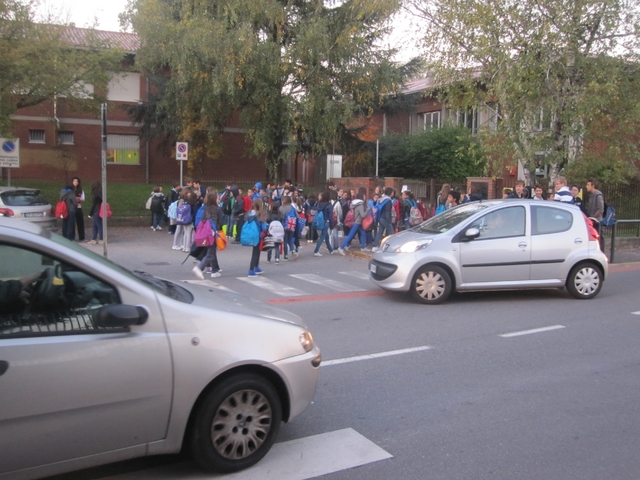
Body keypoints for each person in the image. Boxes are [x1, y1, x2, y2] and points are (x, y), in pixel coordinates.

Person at [192, 193, 224, 279]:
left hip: (206, 233)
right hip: (213, 232)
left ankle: (214, 270)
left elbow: (202, 220)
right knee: (210, 253)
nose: (218, 200)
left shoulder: (205, 209)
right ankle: (199, 268)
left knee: (211, 251)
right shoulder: (217, 209)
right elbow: (222, 221)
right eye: (217, 198)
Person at [247, 198, 268, 277]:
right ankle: (251, 270)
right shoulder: (260, 215)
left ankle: (256, 266)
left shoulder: (249, 213)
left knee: (257, 251)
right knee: (255, 252)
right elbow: (264, 227)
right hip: (258, 234)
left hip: (251, 234)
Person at [313, 191, 337, 256]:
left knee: (326, 236)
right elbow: (330, 216)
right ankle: (316, 251)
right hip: (326, 222)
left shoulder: (319, 204)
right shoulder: (329, 205)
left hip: (320, 221)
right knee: (322, 237)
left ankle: (330, 250)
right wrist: (332, 225)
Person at [585, 178, 606, 251]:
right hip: (592, 220)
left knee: (599, 238)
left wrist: (592, 218)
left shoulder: (598, 195)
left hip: (597, 221)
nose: (586, 186)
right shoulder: (591, 195)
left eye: (588, 185)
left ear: (593, 186)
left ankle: (601, 253)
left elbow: (600, 209)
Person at [373, 187, 394, 252]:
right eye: (392, 192)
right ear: (390, 193)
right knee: (392, 233)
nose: (393, 193)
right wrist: (389, 220)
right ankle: (393, 247)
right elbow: (388, 211)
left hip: (380, 217)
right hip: (385, 218)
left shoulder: (381, 199)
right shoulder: (388, 200)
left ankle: (375, 246)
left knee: (380, 232)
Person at [279, 195, 298, 260]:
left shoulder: (281, 208)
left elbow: (280, 217)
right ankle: (293, 251)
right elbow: (297, 216)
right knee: (290, 239)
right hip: (292, 226)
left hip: (284, 226)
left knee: (285, 241)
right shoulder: (292, 208)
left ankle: (285, 256)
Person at [71, 177, 85, 241]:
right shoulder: (70, 190)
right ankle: (72, 237)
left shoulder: (81, 190)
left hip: (79, 207)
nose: (75, 183)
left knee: (80, 223)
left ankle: (82, 237)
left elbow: (83, 198)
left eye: (76, 181)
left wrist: (79, 199)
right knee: (72, 223)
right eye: (74, 181)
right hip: (72, 208)